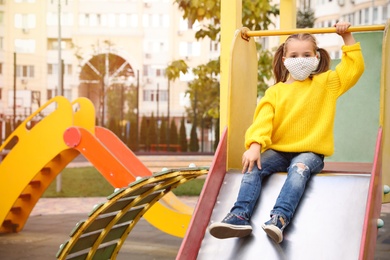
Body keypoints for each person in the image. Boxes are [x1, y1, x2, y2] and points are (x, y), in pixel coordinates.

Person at [208, 21, 365, 243]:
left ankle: (279, 218)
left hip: (310, 153)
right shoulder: (275, 92)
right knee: (254, 165)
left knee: (299, 168)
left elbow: (354, 68)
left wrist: (347, 37)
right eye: (294, 55)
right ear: (284, 60)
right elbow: (263, 121)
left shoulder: (327, 83)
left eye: (306, 54)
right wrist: (254, 146)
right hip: (280, 151)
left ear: (316, 57)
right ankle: (239, 216)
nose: (300, 59)